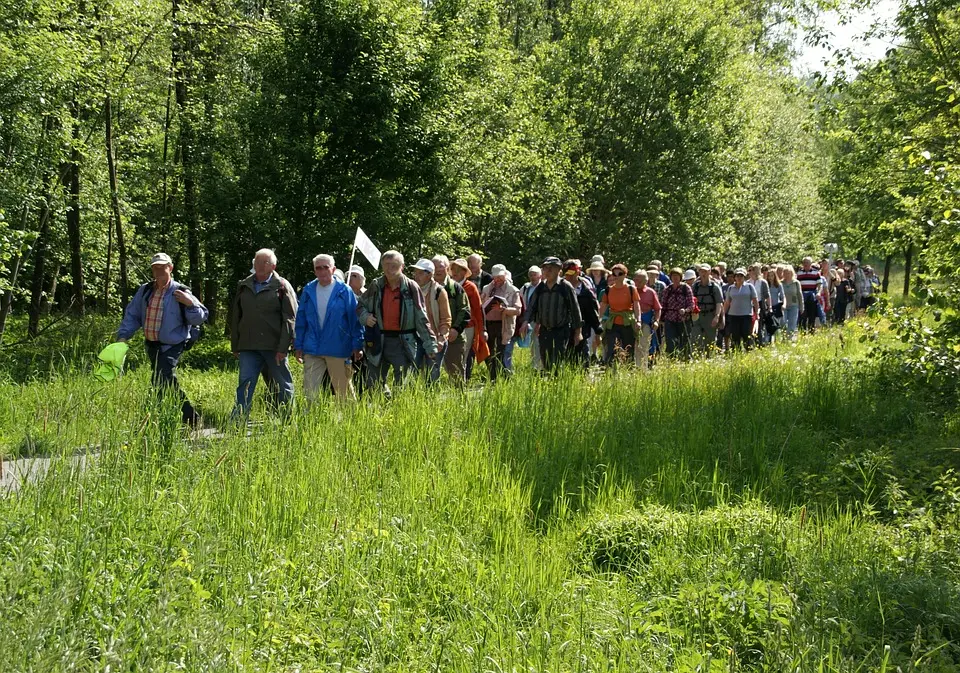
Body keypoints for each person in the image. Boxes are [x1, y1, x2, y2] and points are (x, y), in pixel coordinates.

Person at [116, 252, 208, 426]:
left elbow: (200, 317)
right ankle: (167, 419)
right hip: (152, 345)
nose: (158, 270)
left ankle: (174, 418)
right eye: (155, 267)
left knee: (162, 376)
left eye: (162, 267)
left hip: (173, 344)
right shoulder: (145, 290)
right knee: (163, 380)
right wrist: (123, 336)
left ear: (170, 268)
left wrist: (190, 303)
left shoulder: (181, 291)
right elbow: (132, 315)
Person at [229, 248, 298, 417]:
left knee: (282, 384)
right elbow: (236, 316)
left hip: (274, 346)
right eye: (256, 262)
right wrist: (235, 344)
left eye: (264, 262)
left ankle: (287, 420)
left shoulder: (281, 285)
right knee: (245, 384)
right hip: (248, 345)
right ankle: (238, 421)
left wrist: (283, 348)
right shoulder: (244, 285)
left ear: (273, 266)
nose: (259, 265)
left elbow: (290, 318)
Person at [357, 250, 438, 391]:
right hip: (378, 340)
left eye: (394, 265)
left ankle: (397, 410)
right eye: (386, 265)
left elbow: (421, 318)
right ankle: (380, 409)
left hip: (403, 341)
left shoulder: (411, 287)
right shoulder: (376, 285)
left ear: (402, 266)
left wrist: (430, 344)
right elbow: (360, 307)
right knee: (373, 383)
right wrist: (365, 317)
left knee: (402, 385)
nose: (389, 269)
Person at [294, 254, 363, 400]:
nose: (322, 271)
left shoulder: (344, 291)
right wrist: (298, 344)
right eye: (318, 268)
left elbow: (354, 320)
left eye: (325, 267)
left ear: (333, 269)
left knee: (343, 391)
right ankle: (311, 419)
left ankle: (349, 420)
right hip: (312, 347)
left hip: (337, 346)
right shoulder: (308, 290)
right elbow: (301, 320)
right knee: (310, 391)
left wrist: (357, 344)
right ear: (314, 271)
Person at [527, 256, 582, 373]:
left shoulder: (565, 287)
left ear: (559, 270)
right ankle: (550, 385)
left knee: (557, 361)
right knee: (545, 360)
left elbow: (575, 310)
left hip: (561, 330)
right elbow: (532, 306)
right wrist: (526, 322)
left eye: (551, 268)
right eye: (545, 268)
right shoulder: (541, 287)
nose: (547, 271)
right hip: (544, 330)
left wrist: (578, 332)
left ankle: (557, 384)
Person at [411, 258, 451, 383]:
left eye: (420, 273)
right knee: (411, 374)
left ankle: (431, 400)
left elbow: (446, 319)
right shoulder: (410, 290)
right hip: (414, 339)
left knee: (432, 375)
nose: (416, 276)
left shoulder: (439, 291)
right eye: (415, 272)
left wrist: (441, 338)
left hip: (434, 339)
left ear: (429, 274)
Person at [432, 255, 471, 383]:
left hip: (454, 338)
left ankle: (459, 401)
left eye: (441, 266)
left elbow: (465, 311)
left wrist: (455, 329)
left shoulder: (455, 288)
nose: (437, 270)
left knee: (456, 373)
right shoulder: (425, 288)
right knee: (429, 374)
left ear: (447, 268)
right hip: (431, 338)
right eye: (434, 267)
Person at [480, 264, 522, 381]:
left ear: (505, 275)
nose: (497, 280)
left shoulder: (513, 290)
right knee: (488, 353)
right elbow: (481, 305)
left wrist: (504, 309)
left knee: (500, 353)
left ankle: (501, 378)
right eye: (495, 277)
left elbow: (518, 310)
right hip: (488, 324)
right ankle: (493, 375)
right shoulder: (487, 288)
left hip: (503, 325)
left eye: (500, 277)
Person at [450, 257, 485, 380]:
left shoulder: (471, 287)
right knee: (450, 355)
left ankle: (462, 381)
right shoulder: (448, 286)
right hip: (451, 326)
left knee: (463, 355)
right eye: (453, 269)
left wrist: (482, 329)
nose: (455, 272)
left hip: (468, 326)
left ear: (465, 272)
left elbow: (478, 309)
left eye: (459, 270)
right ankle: (453, 380)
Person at [598, 263, 639, 365]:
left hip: (627, 322)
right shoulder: (608, 290)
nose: (616, 276)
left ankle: (628, 370)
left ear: (625, 275)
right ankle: (610, 371)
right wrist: (598, 320)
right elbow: (603, 306)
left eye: (619, 274)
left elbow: (637, 305)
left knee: (628, 349)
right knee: (611, 349)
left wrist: (638, 320)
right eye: (614, 274)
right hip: (612, 323)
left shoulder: (631, 289)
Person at [564, 260, 602, 369]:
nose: (569, 277)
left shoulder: (587, 290)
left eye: (571, 274)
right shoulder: (561, 288)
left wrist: (598, 331)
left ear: (578, 272)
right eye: (567, 274)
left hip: (583, 329)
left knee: (582, 357)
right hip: (563, 329)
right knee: (564, 358)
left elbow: (593, 312)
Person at [660, 267, 695, 356]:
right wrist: (661, 318)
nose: (675, 278)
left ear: (680, 277)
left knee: (684, 341)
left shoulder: (686, 288)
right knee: (670, 342)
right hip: (670, 319)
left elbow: (691, 304)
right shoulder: (667, 289)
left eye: (677, 276)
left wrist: (685, 310)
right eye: (673, 276)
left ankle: (686, 358)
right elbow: (663, 305)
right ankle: (672, 358)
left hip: (683, 319)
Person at [723, 268, 759, 351]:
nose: (739, 278)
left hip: (746, 315)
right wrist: (723, 314)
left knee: (746, 335)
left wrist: (757, 313)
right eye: (737, 276)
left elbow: (755, 300)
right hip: (733, 315)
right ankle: (737, 352)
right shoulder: (731, 288)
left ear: (744, 277)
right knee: (735, 336)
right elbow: (727, 302)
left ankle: (748, 351)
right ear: (735, 277)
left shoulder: (750, 287)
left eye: (741, 276)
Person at [690, 263, 723, 355]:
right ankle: (697, 358)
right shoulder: (695, 286)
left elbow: (719, 303)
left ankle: (710, 358)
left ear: (709, 272)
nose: (703, 274)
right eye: (701, 271)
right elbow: (691, 300)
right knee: (695, 338)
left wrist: (717, 317)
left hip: (710, 315)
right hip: (697, 316)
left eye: (705, 271)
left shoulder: (715, 287)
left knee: (710, 340)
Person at [632, 270, 661, 369]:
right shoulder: (630, 290)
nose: (637, 283)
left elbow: (657, 309)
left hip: (646, 322)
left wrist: (656, 321)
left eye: (640, 281)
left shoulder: (650, 292)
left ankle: (642, 369)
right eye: (636, 280)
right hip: (631, 321)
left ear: (646, 281)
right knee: (631, 345)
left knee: (644, 346)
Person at [519, 265, 543, 369]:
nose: (533, 277)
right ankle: (535, 364)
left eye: (535, 275)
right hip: (528, 318)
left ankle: (538, 366)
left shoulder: (543, 287)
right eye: (531, 275)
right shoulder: (525, 288)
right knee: (533, 343)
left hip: (539, 318)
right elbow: (520, 300)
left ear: (540, 276)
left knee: (538, 342)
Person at [747, 263, 771, 345]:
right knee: (749, 325)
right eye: (749, 270)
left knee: (758, 324)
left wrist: (769, 307)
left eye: (752, 270)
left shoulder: (762, 282)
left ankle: (759, 343)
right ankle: (750, 343)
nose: (750, 272)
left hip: (760, 304)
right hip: (749, 305)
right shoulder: (747, 282)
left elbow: (767, 295)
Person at [797, 257, 821, 332]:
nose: (806, 264)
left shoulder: (816, 272)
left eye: (807, 262)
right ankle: (803, 331)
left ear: (810, 263)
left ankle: (811, 331)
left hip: (812, 295)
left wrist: (819, 293)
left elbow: (819, 284)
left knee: (812, 314)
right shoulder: (799, 273)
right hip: (802, 295)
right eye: (804, 262)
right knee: (803, 314)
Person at [781, 265, 804, 341]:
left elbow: (799, 295)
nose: (787, 275)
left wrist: (801, 306)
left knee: (792, 323)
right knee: (783, 322)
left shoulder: (796, 283)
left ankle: (789, 339)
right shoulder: (781, 283)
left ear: (792, 273)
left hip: (794, 305)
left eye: (788, 273)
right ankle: (784, 337)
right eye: (785, 273)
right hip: (783, 306)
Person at [766, 267, 784, 343]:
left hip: (777, 306)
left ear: (775, 276)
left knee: (777, 325)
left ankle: (777, 341)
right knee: (769, 325)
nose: (770, 277)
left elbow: (783, 296)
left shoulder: (779, 285)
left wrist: (784, 304)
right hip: (768, 307)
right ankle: (769, 341)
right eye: (769, 276)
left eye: (772, 276)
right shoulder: (766, 285)